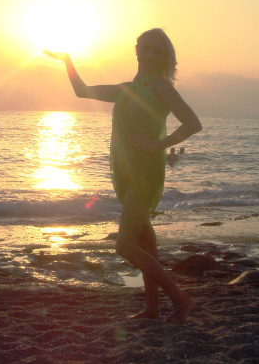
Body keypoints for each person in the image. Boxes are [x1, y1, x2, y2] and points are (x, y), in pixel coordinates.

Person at [44, 28, 202, 324]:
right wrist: (67, 61)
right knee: (145, 242)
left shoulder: (162, 88)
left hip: (145, 172)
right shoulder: (128, 88)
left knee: (124, 245)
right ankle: (152, 309)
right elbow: (82, 90)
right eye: (146, 47)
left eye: (158, 50)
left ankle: (181, 300)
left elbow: (193, 123)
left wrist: (158, 144)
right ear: (137, 49)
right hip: (127, 170)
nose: (151, 54)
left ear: (165, 57)